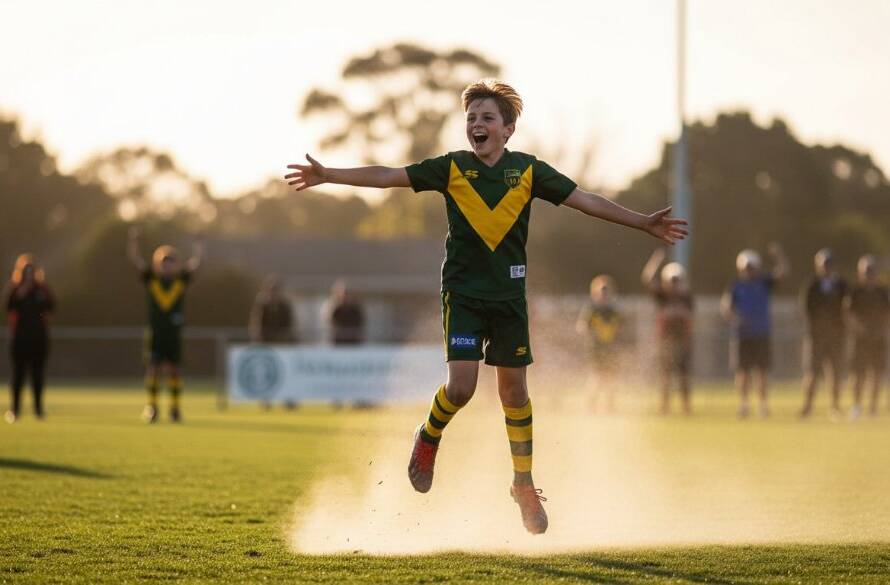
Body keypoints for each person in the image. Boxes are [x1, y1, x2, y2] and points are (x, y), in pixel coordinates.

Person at [285, 79, 687, 534]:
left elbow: (585, 201)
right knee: (461, 388)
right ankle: (428, 436)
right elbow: (387, 176)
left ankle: (523, 484)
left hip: (509, 300)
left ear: (508, 129)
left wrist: (642, 223)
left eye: (487, 117)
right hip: (464, 295)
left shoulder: (529, 172)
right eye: (471, 117)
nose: (477, 123)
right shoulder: (452, 168)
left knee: (513, 393)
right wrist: (330, 175)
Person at [127, 227, 203, 423]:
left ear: (175, 265)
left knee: (174, 370)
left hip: (173, 333)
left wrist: (199, 244)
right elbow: (136, 260)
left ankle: (175, 408)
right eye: (163, 263)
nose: (167, 267)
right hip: (156, 333)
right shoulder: (152, 279)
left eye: (170, 263)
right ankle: (151, 407)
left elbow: (196, 263)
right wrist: (134, 242)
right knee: (153, 369)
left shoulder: (180, 280)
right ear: (158, 264)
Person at [721, 244, 788, 419]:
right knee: (742, 373)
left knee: (762, 373)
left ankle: (763, 405)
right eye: (746, 268)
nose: (749, 271)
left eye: (751, 267)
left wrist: (778, 255)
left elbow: (782, 272)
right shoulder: (735, 286)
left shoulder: (764, 282)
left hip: (761, 333)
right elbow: (726, 306)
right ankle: (744, 404)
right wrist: (734, 318)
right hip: (742, 335)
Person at [641, 248, 694, 415]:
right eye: (672, 280)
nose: (674, 284)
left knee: (683, 376)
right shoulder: (662, 296)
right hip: (665, 342)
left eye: (677, 280)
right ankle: (665, 406)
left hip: (683, 341)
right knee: (665, 376)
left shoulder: (687, 297)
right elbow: (647, 279)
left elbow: (690, 316)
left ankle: (686, 407)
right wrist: (656, 260)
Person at [798, 248, 848, 419]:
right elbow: (806, 310)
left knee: (835, 372)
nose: (826, 268)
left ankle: (835, 406)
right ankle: (807, 406)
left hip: (836, 336)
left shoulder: (841, 285)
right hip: (816, 337)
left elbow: (847, 308)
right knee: (812, 372)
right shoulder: (812, 285)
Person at [4, 254, 54, 423]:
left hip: (38, 340)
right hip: (20, 340)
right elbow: (8, 307)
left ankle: (38, 410)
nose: (29, 275)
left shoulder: (42, 289)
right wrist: (22, 291)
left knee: (38, 376)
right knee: (18, 376)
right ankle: (15, 410)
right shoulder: (15, 289)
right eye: (26, 271)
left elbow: (52, 306)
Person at [846, 255, 889, 418]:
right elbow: (848, 313)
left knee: (877, 373)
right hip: (860, 339)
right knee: (858, 374)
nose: (869, 275)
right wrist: (858, 328)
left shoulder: (882, 292)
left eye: (872, 271)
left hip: (878, 338)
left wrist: (883, 329)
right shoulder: (855, 291)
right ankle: (857, 405)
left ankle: (873, 408)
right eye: (866, 271)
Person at [575, 275, 624, 412]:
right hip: (595, 349)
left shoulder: (614, 311)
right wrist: (590, 334)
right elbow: (581, 326)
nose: (604, 294)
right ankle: (591, 406)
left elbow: (620, 328)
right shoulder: (592, 310)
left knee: (611, 378)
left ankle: (610, 406)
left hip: (611, 349)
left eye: (606, 291)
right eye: (601, 291)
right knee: (596, 377)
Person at [249, 275, 297, 409]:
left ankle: (287, 400)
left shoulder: (284, 306)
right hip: (266, 346)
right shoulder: (262, 305)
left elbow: (289, 325)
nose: (273, 293)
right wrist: (259, 341)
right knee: (267, 373)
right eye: (271, 290)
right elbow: (257, 324)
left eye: (275, 290)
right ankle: (266, 400)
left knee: (285, 373)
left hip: (282, 346)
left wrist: (284, 340)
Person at [327, 279, 365, 345]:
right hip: (337, 343)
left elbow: (360, 322)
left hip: (353, 342)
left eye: (346, 293)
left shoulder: (355, 309)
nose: (344, 296)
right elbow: (329, 322)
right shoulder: (332, 308)